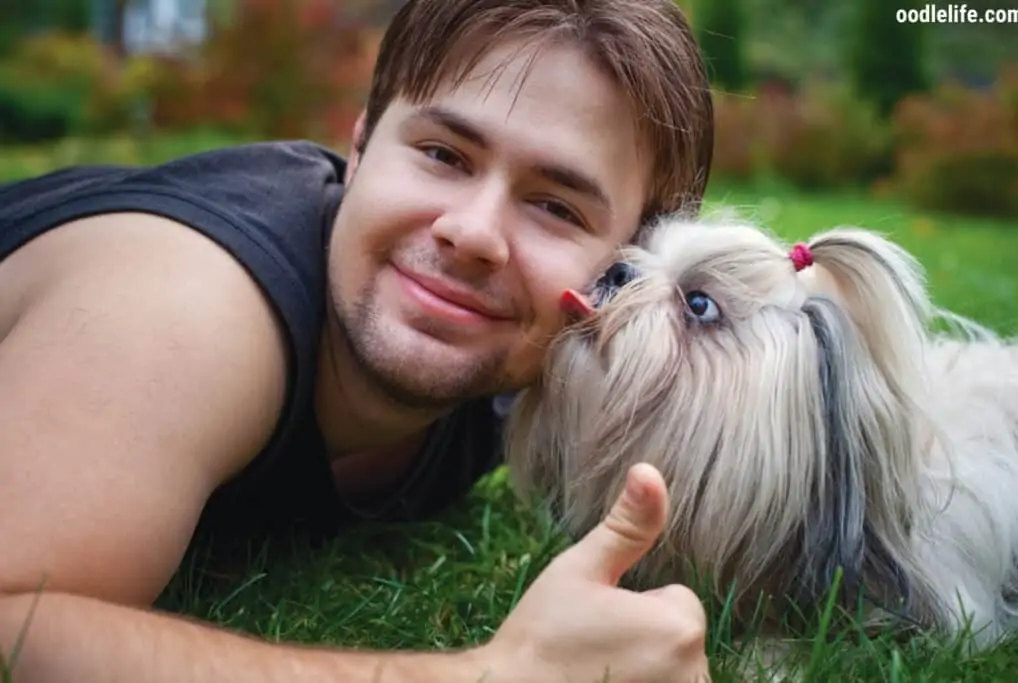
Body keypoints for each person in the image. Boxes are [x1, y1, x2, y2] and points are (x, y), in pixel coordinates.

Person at [0, 0, 715, 680]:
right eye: (443, 154)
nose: (472, 233)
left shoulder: (531, 372)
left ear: (629, 263)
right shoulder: (182, 309)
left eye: (555, 206)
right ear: (362, 143)